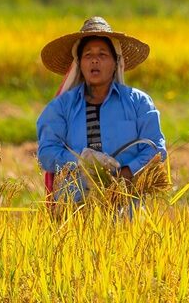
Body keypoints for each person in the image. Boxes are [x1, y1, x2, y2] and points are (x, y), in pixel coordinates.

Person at [36, 17, 167, 207]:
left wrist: (125, 175)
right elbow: (46, 153)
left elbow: (156, 149)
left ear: (116, 63)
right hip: (74, 212)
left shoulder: (139, 103)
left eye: (103, 54)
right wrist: (82, 162)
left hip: (126, 209)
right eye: (88, 55)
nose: (95, 60)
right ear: (79, 64)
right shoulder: (60, 107)